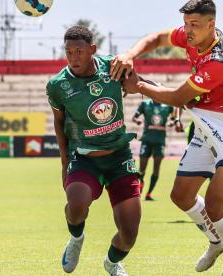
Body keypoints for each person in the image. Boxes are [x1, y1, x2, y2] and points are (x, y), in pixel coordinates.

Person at [111, 0, 223, 276]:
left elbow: (179, 97)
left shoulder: (220, 60)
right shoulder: (192, 37)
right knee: (181, 195)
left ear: (211, 24)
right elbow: (157, 38)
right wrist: (131, 54)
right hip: (206, 120)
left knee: (216, 204)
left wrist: (138, 85)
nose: (187, 30)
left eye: (195, 25)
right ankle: (216, 241)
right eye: (186, 23)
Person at [46, 25, 141, 276]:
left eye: (79, 51)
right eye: (68, 52)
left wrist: (135, 79)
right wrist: (64, 161)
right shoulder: (57, 85)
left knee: (129, 234)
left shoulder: (113, 67)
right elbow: (59, 122)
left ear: (92, 50)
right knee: (76, 204)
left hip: (119, 156)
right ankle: (76, 239)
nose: (73, 57)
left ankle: (111, 263)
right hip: (84, 157)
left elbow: (134, 82)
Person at [132, 98, 179, 201]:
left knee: (156, 168)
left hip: (160, 141)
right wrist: (137, 120)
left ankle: (149, 194)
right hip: (146, 140)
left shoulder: (167, 106)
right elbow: (134, 117)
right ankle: (139, 188)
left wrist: (172, 123)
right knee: (141, 169)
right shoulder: (145, 104)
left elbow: (174, 118)